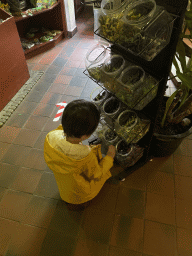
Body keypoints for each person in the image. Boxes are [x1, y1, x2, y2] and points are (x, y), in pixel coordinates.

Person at [44, 99, 116, 207]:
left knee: (68, 189)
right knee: (92, 185)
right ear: (84, 136)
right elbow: (96, 173)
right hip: (80, 192)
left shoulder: (51, 137)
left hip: (64, 187)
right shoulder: (84, 155)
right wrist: (110, 156)